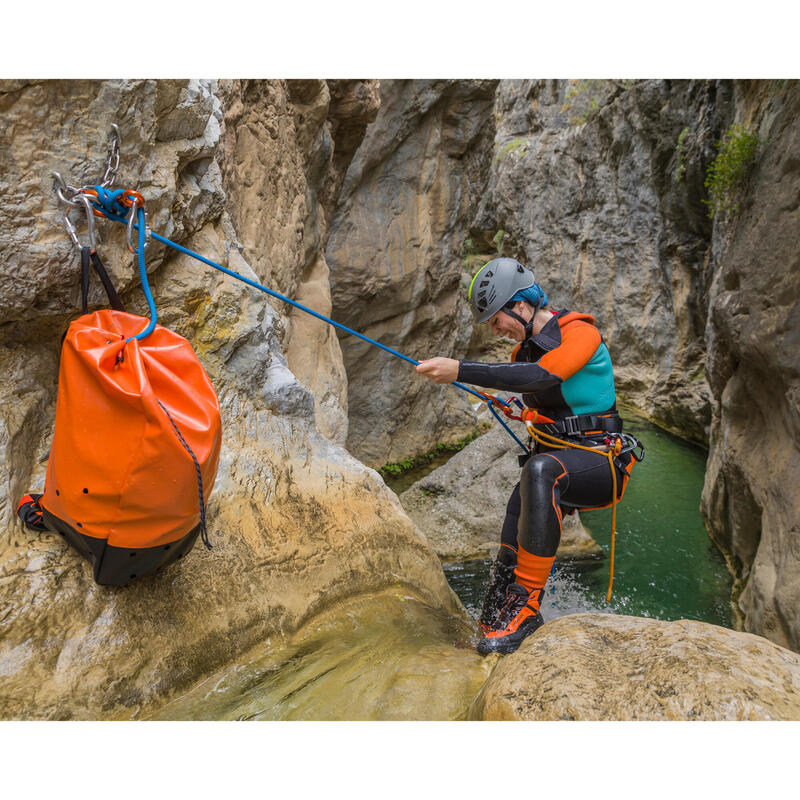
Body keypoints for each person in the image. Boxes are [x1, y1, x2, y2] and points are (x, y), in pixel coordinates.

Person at [415, 257, 634, 655]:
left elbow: (545, 376)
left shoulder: (581, 333)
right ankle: (496, 614)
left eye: (497, 319)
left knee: (539, 470)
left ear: (520, 305)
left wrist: (460, 369)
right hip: (563, 462)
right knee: (516, 511)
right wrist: (525, 411)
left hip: (602, 466)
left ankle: (527, 611)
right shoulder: (524, 352)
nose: (495, 329)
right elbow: (548, 397)